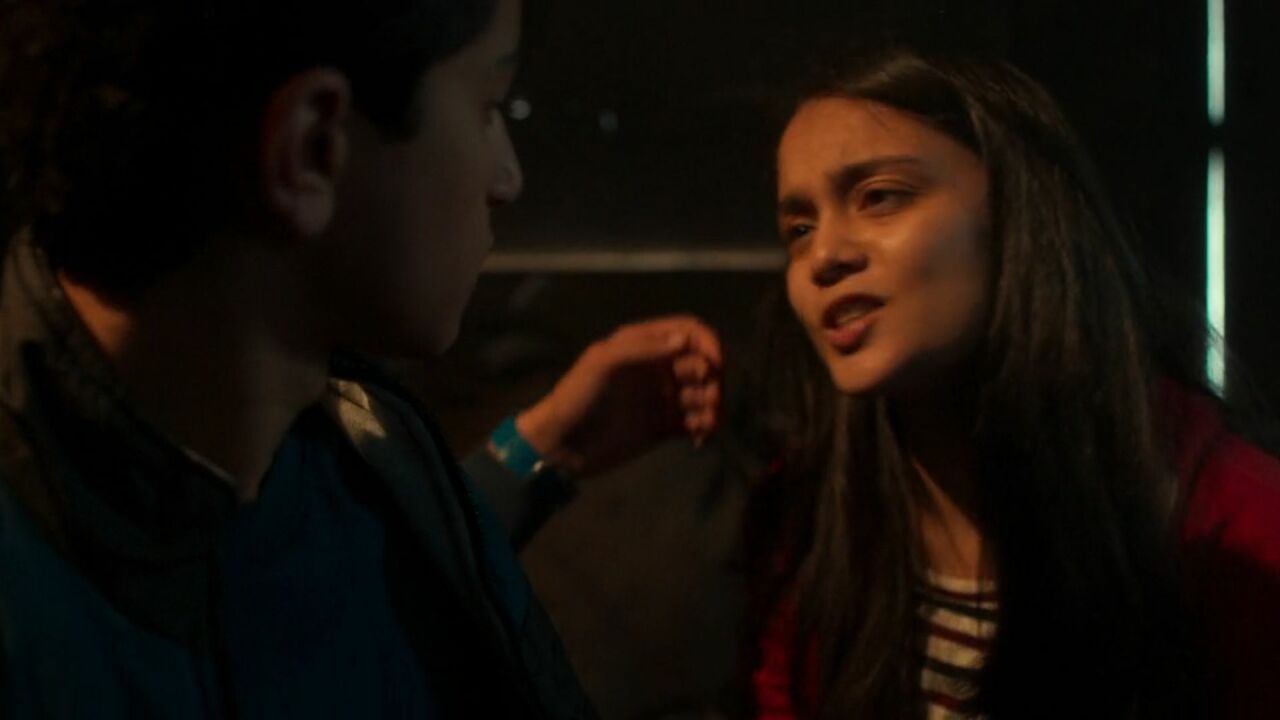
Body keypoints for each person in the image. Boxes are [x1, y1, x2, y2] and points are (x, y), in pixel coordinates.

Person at [0, 0, 722, 717]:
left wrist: (537, 455)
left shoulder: (341, 437)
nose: (507, 178)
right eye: (487, 106)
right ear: (310, 148)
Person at [739, 48, 1280, 719]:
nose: (823, 255)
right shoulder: (804, 518)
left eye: (880, 197)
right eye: (799, 227)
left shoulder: (1240, 532)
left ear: (1017, 210)